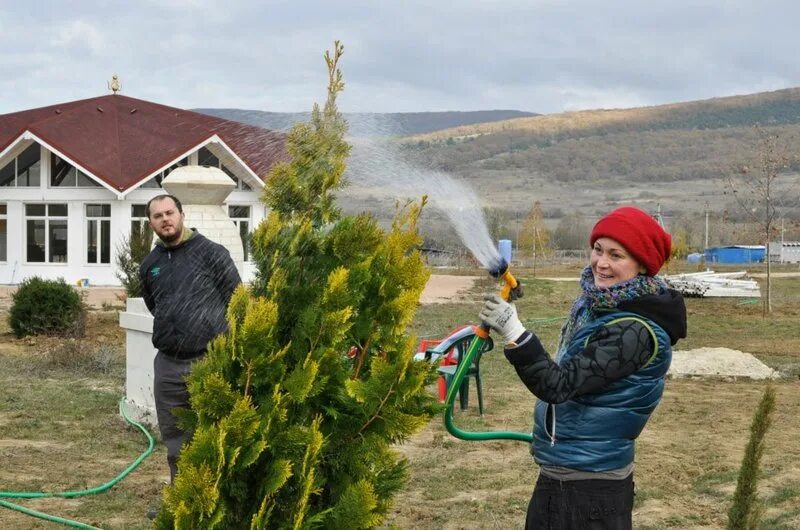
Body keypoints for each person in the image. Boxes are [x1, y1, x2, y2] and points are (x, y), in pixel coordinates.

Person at [480, 206, 687, 530]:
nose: (601, 263)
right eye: (598, 249)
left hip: (588, 491)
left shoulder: (633, 331)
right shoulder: (600, 309)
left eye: (616, 255)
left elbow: (558, 384)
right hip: (566, 475)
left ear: (642, 265)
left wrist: (515, 333)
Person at [139, 194, 241, 483]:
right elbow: (155, 305)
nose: (165, 219)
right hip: (169, 366)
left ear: (181, 215)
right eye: (157, 216)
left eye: (169, 213)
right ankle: (183, 498)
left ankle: (216, 498)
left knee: (213, 434)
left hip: (208, 360)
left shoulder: (212, 253)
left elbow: (237, 299)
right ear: (151, 223)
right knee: (175, 440)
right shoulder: (150, 264)